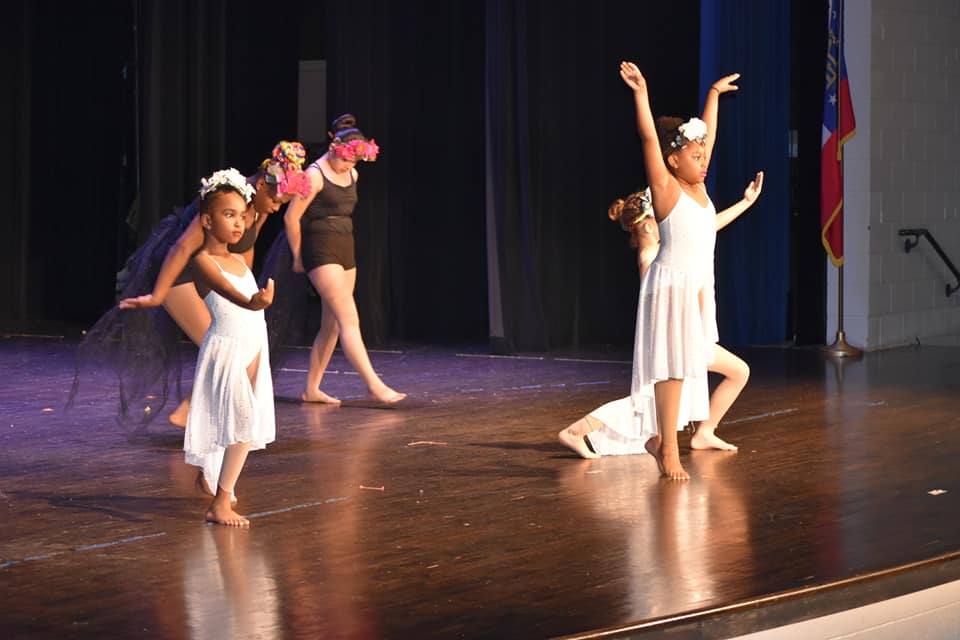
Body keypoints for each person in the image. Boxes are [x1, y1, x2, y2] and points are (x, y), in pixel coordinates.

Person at [69, 142, 310, 430]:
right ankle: (200, 416)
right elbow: (182, 248)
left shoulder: (260, 206)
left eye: (282, 204)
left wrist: (245, 290)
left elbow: (245, 248)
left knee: (239, 346)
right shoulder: (229, 197)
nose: (276, 207)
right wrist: (157, 295)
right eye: (276, 200)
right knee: (226, 347)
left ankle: (188, 412)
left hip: (206, 273)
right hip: (179, 272)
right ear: (260, 184)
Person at [610, 60, 760, 479]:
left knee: (687, 368)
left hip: (695, 287)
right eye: (695, 156)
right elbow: (647, 137)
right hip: (670, 285)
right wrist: (641, 94)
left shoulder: (701, 190)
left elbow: (706, 136)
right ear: (673, 160)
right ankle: (668, 450)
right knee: (671, 369)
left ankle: (667, 440)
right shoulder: (665, 189)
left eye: (704, 155)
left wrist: (713, 96)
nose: (704, 160)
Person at [272, 114, 405, 405]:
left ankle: (311, 389)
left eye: (354, 161)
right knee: (349, 319)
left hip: (345, 246)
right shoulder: (314, 175)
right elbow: (292, 218)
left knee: (332, 324)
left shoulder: (353, 175)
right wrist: (298, 256)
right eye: (346, 159)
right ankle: (374, 385)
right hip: (320, 249)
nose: (349, 166)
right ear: (333, 149)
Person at [184, 167, 276, 526]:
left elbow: (249, 303)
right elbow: (230, 294)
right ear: (207, 221)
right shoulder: (201, 261)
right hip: (226, 350)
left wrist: (257, 309)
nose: (238, 223)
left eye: (241, 216)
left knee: (236, 422)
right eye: (228, 215)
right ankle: (220, 503)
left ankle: (209, 479)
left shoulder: (238, 260)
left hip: (252, 347)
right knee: (242, 423)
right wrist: (254, 301)